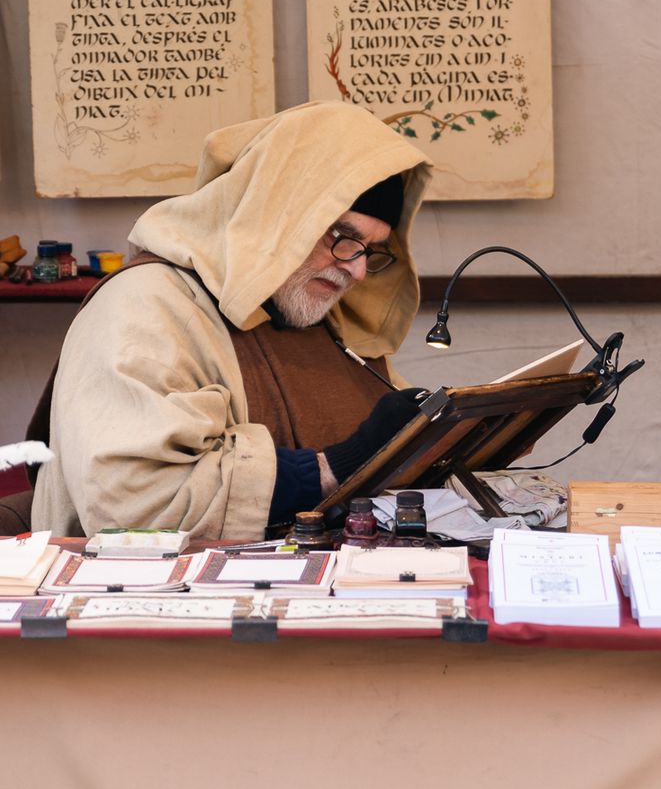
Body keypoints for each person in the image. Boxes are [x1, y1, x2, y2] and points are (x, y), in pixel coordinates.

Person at [31, 101, 432, 540]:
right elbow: (135, 503)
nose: (356, 269)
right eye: (343, 237)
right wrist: (333, 468)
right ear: (276, 215)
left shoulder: (312, 311)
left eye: (371, 250)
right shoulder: (144, 304)